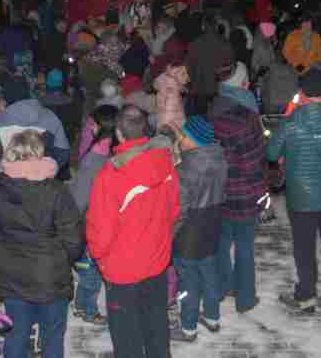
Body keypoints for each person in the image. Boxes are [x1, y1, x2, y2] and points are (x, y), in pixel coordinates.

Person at [86, 106, 179, 358]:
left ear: (118, 133)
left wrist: (100, 258)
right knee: (157, 329)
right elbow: (173, 210)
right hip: (156, 263)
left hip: (122, 271)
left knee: (127, 339)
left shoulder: (111, 175)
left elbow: (100, 232)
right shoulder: (165, 161)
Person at [0, 130, 83, 358]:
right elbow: (73, 239)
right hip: (51, 275)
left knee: (16, 335)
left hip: (14, 275)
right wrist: (64, 257)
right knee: (52, 336)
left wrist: (10, 244)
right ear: (39, 153)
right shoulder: (56, 190)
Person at [267, 67, 321, 313]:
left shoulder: (292, 121)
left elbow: (271, 153)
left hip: (302, 196)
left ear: (302, 91)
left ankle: (307, 296)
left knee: (304, 247)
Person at [210, 64, 266, 314]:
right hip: (243, 192)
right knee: (244, 246)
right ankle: (245, 297)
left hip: (218, 191)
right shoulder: (247, 118)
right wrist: (262, 195)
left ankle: (224, 286)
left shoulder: (213, 110)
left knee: (222, 242)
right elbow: (252, 163)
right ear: (243, 85)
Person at [170, 115, 227, 342]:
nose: (180, 140)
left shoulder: (186, 168)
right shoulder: (220, 159)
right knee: (209, 273)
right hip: (212, 225)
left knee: (188, 282)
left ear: (194, 140)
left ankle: (188, 327)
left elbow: (179, 210)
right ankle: (212, 317)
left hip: (189, 233)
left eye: (184, 136)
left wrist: (169, 234)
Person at [69, 105, 118, 325]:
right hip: (91, 227)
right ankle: (88, 309)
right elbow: (80, 198)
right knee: (91, 273)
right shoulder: (98, 158)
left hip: (96, 224)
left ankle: (82, 306)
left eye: (93, 124)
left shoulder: (100, 154)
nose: (90, 128)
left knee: (92, 271)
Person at [186, 13, 234, 113]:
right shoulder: (226, 44)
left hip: (199, 89)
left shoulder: (194, 44)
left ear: (203, 26)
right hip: (219, 89)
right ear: (216, 26)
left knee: (201, 118)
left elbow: (189, 68)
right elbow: (230, 68)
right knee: (219, 117)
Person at [154, 64, 189, 129]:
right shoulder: (180, 71)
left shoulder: (162, 76)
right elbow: (184, 84)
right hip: (173, 104)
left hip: (162, 104)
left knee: (162, 119)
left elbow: (155, 85)